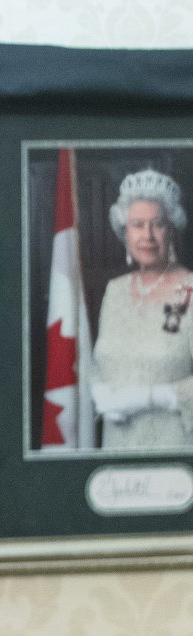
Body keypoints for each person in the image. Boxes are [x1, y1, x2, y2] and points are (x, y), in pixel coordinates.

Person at [90, 167, 193, 449]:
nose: (147, 235)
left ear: (171, 230)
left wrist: (149, 398)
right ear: (125, 233)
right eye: (137, 225)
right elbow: (97, 363)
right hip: (116, 443)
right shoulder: (115, 291)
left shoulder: (189, 290)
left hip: (174, 446)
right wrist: (97, 389)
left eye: (157, 224)